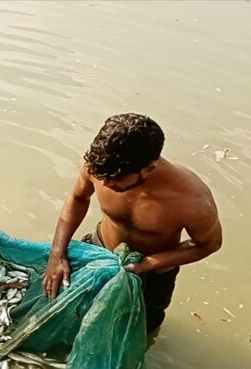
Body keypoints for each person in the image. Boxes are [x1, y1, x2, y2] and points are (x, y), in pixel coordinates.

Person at [41, 113, 222, 331]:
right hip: (98, 250)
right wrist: (57, 252)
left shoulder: (192, 202)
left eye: (115, 180)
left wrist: (148, 264)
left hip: (153, 275)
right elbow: (78, 198)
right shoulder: (97, 166)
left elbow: (209, 245)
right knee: (69, 314)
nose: (105, 184)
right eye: (101, 177)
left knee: (138, 330)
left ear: (148, 169)